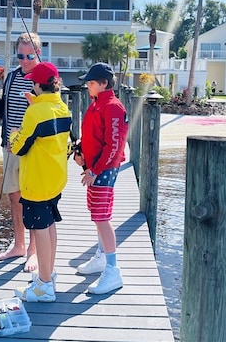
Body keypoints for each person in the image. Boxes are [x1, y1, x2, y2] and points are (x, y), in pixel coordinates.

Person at [10, 62, 71, 302]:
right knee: (50, 224)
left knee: (39, 228)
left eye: (33, 84)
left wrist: (14, 132)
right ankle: (49, 274)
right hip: (55, 179)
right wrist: (36, 105)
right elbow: (47, 128)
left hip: (36, 182)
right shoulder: (63, 108)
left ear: (37, 85)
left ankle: (44, 286)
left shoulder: (34, 113)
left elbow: (19, 147)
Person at [0, 32, 40, 272]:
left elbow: (48, 116)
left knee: (34, 198)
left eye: (29, 55)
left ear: (38, 53)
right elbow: (4, 113)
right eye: (20, 55)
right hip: (10, 147)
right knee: (14, 196)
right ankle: (19, 244)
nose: (25, 60)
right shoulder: (11, 77)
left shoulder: (44, 79)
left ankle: (34, 251)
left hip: (33, 149)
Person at [73, 62, 129, 295]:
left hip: (104, 169)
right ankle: (101, 257)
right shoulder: (96, 104)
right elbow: (93, 136)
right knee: (97, 214)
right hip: (94, 167)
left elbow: (114, 146)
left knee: (101, 216)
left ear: (104, 83)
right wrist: (81, 152)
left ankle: (113, 270)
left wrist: (95, 170)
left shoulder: (113, 106)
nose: (88, 86)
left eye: (92, 82)